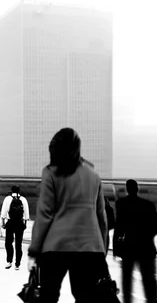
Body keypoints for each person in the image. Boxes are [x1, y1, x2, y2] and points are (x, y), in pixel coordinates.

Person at [27, 128, 109, 303]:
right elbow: (101, 217)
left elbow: (44, 214)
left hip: (56, 246)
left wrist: (34, 252)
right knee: (85, 296)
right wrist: (102, 251)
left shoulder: (50, 173)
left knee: (47, 296)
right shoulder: (94, 176)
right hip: (89, 247)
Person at [114, 179, 157, 303]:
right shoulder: (149, 205)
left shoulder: (121, 204)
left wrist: (116, 249)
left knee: (127, 281)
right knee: (148, 280)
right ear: (137, 189)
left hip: (128, 247)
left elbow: (118, 228)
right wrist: (146, 237)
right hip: (146, 247)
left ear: (127, 189)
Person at [0, 185, 30, 270]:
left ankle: (9, 261)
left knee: (8, 243)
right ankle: (17, 264)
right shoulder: (23, 199)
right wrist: (25, 223)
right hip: (20, 223)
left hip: (10, 223)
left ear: (11, 190)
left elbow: (3, 213)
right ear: (19, 190)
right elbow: (26, 214)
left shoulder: (7, 199)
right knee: (18, 244)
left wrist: (3, 223)